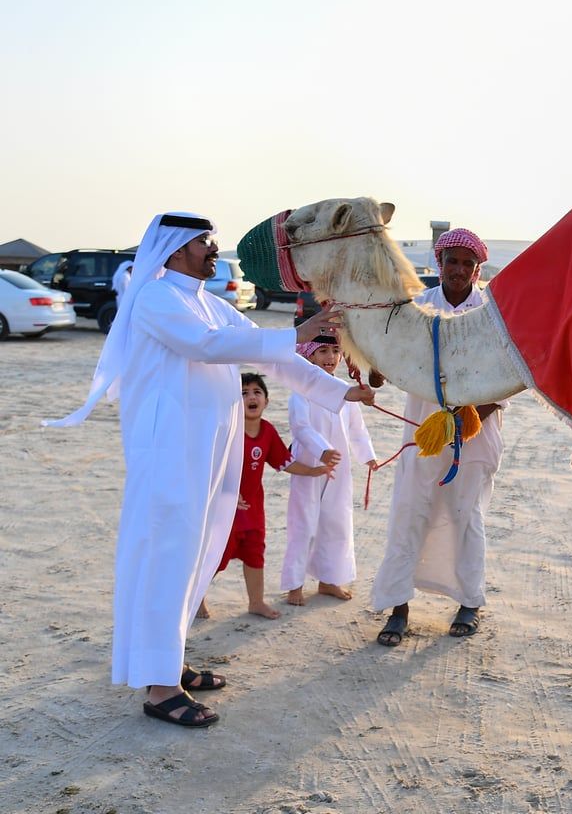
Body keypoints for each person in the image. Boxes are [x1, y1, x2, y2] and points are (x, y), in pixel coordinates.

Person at [44, 211, 374, 728]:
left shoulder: (209, 303)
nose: (214, 250)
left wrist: (341, 391)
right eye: (204, 242)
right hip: (170, 451)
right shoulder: (156, 298)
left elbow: (275, 359)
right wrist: (296, 332)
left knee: (199, 549)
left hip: (209, 450)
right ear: (175, 249)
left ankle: (168, 662)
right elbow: (205, 346)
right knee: (168, 554)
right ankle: (158, 688)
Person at [372, 228, 505, 645]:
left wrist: (463, 420)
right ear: (440, 263)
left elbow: (507, 378)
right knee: (410, 510)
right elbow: (388, 363)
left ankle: (469, 601)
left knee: (467, 515)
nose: (460, 271)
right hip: (422, 429)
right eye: (453, 262)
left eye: (469, 264)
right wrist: (374, 362)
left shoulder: (490, 311)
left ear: (478, 269)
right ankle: (398, 607)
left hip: (476, 433)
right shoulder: (416, 309)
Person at [196, 372, 334, 621]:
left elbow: (284, 461)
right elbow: (209, 466)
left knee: (255, 553)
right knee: (215, 556)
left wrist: (313, 471)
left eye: (257, 392)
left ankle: (256, 602)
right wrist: (228, 491)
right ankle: (195, 599)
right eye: (244, 392)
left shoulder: (268, 431)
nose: (251, 397)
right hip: (224, 510)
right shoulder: (228, 431)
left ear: (266, 402)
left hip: (254, 509)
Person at [281, 337, 379, 605]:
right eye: (323, 350)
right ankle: (294, 584)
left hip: (339, 465)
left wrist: (367, 456)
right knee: (304, 524)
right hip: (309, 463)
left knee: (336, 520)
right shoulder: (301, 389)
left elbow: (357, 430)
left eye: (336, 351)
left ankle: (329, 579)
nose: (330, 356)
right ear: (309, 356)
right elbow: (300, 427)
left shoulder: (346, 392)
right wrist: (321, 449)